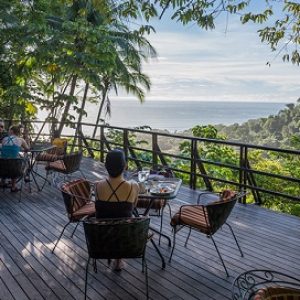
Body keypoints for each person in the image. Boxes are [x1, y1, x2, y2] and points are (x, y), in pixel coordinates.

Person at [95, 149, 139, 271]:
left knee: (111, 219)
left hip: (101, 238)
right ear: (125, 166)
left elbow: (100, 209)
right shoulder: (133, 186)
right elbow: (133, 206)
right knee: (127, 219)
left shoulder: (97, 185)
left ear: (106, 166)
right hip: (127, 239)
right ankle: (119, 260)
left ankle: (116, 258)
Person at [1, 125, 30, 192]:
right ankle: (13, 186)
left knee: (6, 159)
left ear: (11, 131)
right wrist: (27, 139)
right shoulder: (20, 140)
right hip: (15, 170)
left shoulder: (4, 139)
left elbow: (5, 149)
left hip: (2, 169)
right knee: (15, 162)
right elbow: (27, 149)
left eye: (9, 130)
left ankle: (2, 182)